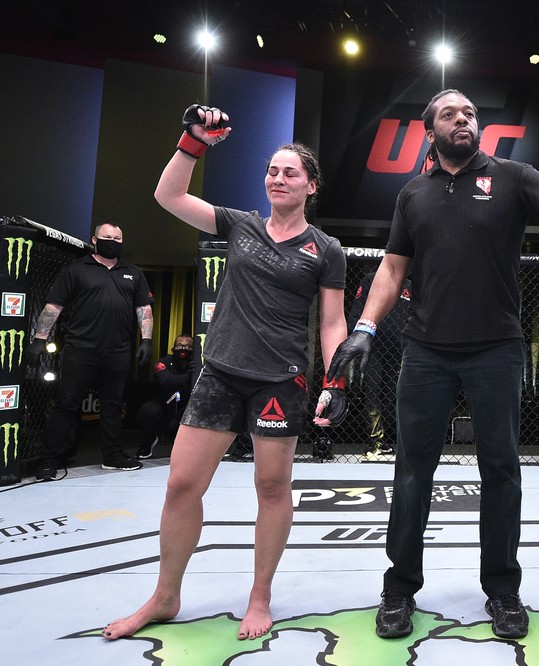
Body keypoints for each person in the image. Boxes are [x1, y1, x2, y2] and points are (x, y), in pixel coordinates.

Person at [326, 89, 539, 640]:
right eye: (449, 114)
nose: (462, 119)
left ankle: (503, 592)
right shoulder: (412, 194)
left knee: (502, 472)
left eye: (470, 113)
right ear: (429, 130)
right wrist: (364, 327)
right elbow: (391, 270)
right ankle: (399, 587)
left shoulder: (515, 176)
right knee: (413, 472)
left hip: (496, 349)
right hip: (426, 350)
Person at [103, 105, 348, 641]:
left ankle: (259, 598)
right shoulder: (239, 225)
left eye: (290, 172)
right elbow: (168, 198)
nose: (277, 178)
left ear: (311, 186)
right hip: (220, 373)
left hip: (280, 380)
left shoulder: (325, 249)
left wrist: (336, 381)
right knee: (181, 485)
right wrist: (193, 142)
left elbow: (332, 323)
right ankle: (165, 597)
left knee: (271, 485)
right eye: (272, 170)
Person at [26, 223, 155, 481]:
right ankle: (50, 460)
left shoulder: (133, 272)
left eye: (118, 238)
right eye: (107, 237)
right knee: (66, 404)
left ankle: (113, 456)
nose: (113, 241)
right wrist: (39, 339)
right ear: (95, 239)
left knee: (113, 405)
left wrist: (146, 340)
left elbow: (144, 309)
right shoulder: (75, 269)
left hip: (118, 351)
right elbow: (54, 306)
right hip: (80, 348)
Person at [347, 271, 411, 461]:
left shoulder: (409, 286)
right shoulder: (370, 279)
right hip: (374, 347)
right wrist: (356, 334)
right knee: (373, 392)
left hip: (399, 349)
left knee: (394, 395)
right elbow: (357, 308)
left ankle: (391, 441)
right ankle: (375, 442)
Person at [136, 334, 196, 459]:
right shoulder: (162, 362)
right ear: (173, 348)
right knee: (148, 409)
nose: (183, 349)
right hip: (164, 409)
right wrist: (188, 377)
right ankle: (147, 444)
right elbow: (165, 382)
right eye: (179, 345)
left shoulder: (197, 365)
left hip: (185, 414)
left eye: (188, 346)